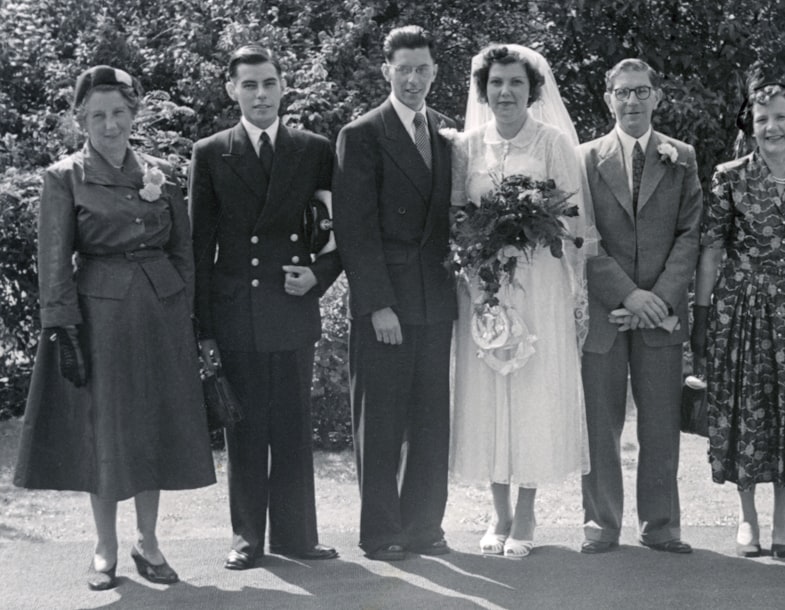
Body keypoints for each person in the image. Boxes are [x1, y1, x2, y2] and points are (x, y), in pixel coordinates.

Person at [14, 65, 216, 590]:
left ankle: (148, 543)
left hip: (162, 315)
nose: (110, 125)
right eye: (98, 115)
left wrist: (185, 314)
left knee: (154, 428)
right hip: (101, 318)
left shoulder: (161, 171)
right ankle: (105, 547)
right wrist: (63, 330)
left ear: (134, 115)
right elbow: (54, 261)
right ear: (81, 118)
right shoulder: (65, 177)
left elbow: (183, 250)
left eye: (119, 113)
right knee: (106, 431)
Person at [189, 44, 342, 570]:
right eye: (249, 84)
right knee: (245, 427)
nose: (260, 94)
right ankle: (247, 538)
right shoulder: (210, 152)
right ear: (232, 89)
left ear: (283, 86)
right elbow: (198, 246)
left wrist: (318, 277)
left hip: (292, 305)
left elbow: (333, 231)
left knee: (294, 426)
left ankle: (298, 536)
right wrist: (202, 327)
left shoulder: (314, 148)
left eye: (269, 83)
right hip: (236, 310)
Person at [450, 44, 593, 558]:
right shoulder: (465, 146)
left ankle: (527, 511)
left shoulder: (553, 142)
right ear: (483, 91)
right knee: (488, 390)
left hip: (539, 284)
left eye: (515, 83)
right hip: (484, 286)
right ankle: (499, 512)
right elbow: (456, 217)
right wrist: (476, 277)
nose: (505, 92)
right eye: (495, 84)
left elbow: (572, 219)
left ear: (532, 90)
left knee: (531, 388)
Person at [691, 80, 785, 558]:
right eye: (762, 119)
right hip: (741, 306)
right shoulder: (728, 176)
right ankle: (747, 516)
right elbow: (711, 248)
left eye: (781, 117)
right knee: (744, 408)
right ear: (750, 128)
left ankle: (782, 518)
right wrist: (702, 314)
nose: (772, 127)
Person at [331, 25, 457, 562]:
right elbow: (354, 229)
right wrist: (377, 303)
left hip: (435, 296)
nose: (412, 79)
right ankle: (381, 531)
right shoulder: (361, 134)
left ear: (434, 72)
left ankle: (425, 525)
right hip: (387, 299)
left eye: (421, 69)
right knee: (381, 420)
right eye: (402, 69)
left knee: (431, 419)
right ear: (386, 71)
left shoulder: (446, 132)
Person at [577, 59, 702, 555]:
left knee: (660, 422)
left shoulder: (682, 156)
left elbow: (690, 234)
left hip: (662, 314)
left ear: (657, 96)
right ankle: (601, 523)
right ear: (608, 98)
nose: (632, 101)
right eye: (622, 92)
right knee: (600, 423)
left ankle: (661, 524)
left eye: (641, 91)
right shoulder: (584, 158)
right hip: (606, 314)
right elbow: (580, 237)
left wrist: (657, 300)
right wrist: (627, 295)